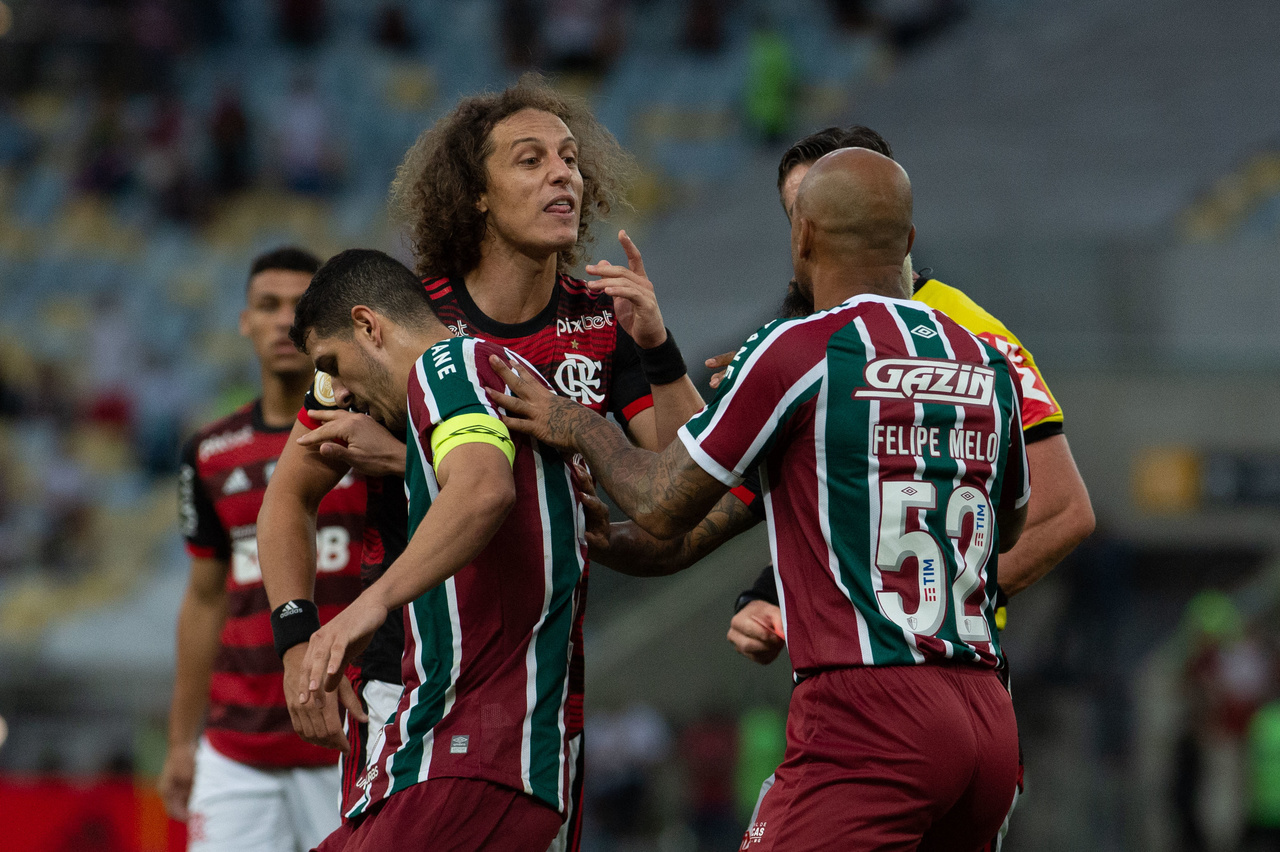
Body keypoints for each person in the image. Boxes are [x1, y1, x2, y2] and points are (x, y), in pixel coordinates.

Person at [490, 147, 1029, 850]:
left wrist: (573, 421)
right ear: (908, 243)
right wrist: (607, 540)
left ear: (802, 235)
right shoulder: (983, 360)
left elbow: (659, 500)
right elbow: (1008, 520)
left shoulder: (798, 351)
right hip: (988, 714)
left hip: (873, 714)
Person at [256, 74, 706, 850]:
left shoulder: (603, 325)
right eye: (530, 161)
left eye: (569, 159)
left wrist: (659, 348)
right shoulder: (404, 325)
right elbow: (286, 497)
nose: (563, 174)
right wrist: (299, 641)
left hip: (534, 688)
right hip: (406, 678)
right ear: (476, 195)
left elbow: (686, 481)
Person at [287, 248, 585, 851]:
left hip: (476, 748)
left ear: (369, 326)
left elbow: (482, 489)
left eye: (332, 364)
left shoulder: (447, 366)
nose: (336, 392)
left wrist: (368, 607)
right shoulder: (477, 378)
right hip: (451, 747)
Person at [161, 248, 367, 852]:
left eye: (298, 307)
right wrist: (180, 741)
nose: (283, 322)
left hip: (350, 740)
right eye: (267, 306)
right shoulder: (209, 453)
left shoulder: (371, 434)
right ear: (245, 321)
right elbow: (203, 601)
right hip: (236, 753)